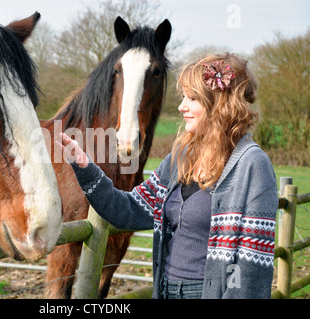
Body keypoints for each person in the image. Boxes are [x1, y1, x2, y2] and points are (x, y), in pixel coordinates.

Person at [56, 53, 278, 299]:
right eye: (183, 96)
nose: (182, 106)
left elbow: (252, 269)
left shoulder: (251, 164)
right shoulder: (181, 157)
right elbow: (128, 210)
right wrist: (85, 167)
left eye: (192, 98)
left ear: (221, 104)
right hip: (165, 291)